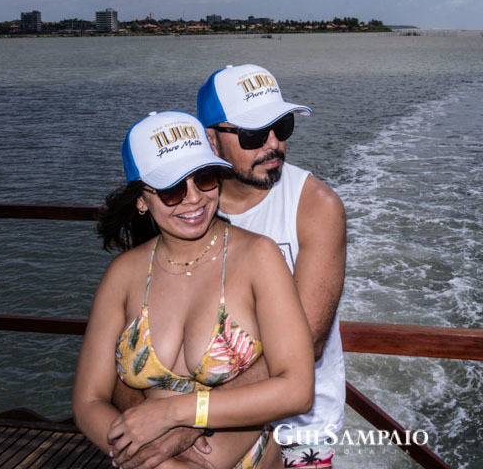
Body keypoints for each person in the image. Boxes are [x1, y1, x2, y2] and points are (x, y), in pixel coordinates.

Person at [111, 64, 347, 469]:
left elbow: (307, 342)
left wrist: (190, 420)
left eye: (282, 127)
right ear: (209, 139)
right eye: (254, 134)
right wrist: (145, 421)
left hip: (295, 430)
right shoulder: (179, 211)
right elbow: (133, 338)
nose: (274, 145)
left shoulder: (313, 206)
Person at [73, 110, 314, 469]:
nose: (193, 198)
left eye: (204, 178)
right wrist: (154, 461)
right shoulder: (122, 275)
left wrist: (175, 413)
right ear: (141, 199)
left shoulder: (259, 257)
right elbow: (88, 401)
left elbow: (297, 389)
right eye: (171, 188)